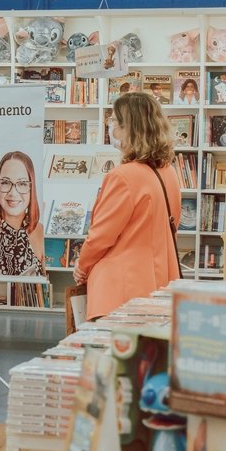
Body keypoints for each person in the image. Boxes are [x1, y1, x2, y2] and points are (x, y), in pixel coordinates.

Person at [74, 91, 182, 320]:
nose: (111, 128)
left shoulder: (122, 176)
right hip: (159, 283)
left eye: (114, 121)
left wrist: (82, 267)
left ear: (129, 128)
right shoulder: (169, 172)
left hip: (121, 288)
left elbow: (100, 237)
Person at [0, 151, 45, 277]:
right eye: (5, 182)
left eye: (22, 183)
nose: (13, 193)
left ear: (31, 188)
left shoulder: (40, 232)